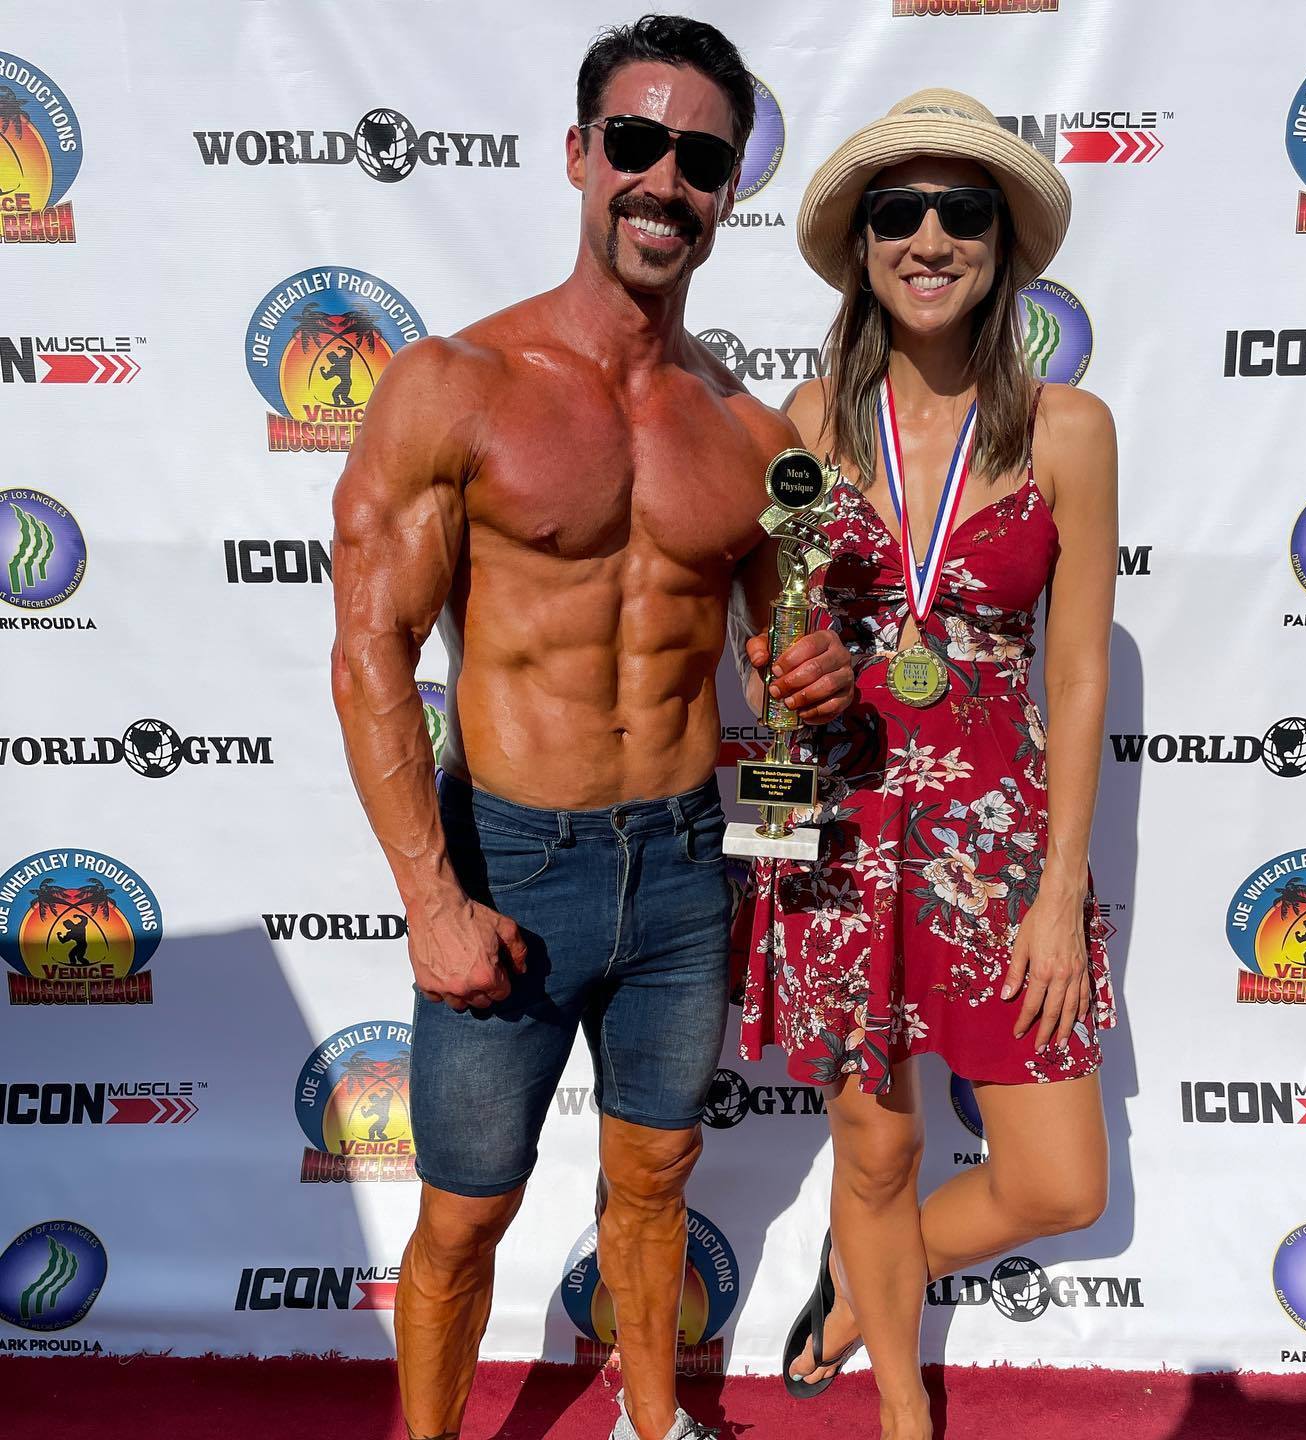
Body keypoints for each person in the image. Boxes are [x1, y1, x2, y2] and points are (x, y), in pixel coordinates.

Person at [329, 17, 854, 1440]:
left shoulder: (750, 434)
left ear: (728, 189)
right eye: (636, 142)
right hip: (511, 863)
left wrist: (813, 679)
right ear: (580, 154)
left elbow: (781, 663)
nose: (664, 181)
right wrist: (432, 901)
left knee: (657, 1177)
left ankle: (651, 1421)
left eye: (701, 159)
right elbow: (371, 651)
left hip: (683, 865)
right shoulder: (458, 385)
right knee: (464, 1213)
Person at [731, 90, 1119, 1440]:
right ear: (862, 246)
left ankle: (861, 1282)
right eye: (900, 212)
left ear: (1002, 246)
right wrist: (782, 670)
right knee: (877, 1147)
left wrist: (1061, 887)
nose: (931, 238)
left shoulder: (1069, 430)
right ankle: (902, 1407)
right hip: (841, 829)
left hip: (997, 846)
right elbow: (767, 640)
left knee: (1059, 1182)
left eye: (964, 212)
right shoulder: (804, 422)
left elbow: (1077, 674)